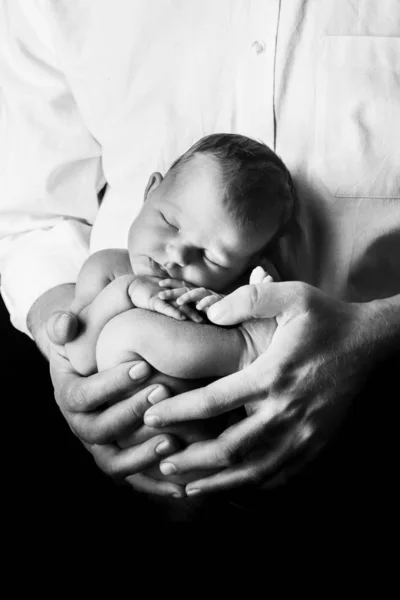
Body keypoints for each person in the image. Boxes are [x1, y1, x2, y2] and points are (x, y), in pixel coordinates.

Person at [1, 0, 399, 525]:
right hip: (129, 448)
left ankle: (247, 351)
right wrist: (87, 344)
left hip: (370, 417)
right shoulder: (109, 266)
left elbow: (251, 297)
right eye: (167, 223)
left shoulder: (225, 288)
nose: (177, 255)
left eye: (212, 255)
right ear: (151, 189)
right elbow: (35, 224)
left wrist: (377, 331)